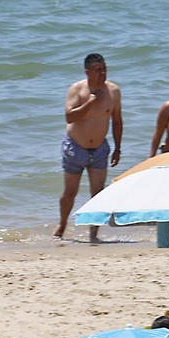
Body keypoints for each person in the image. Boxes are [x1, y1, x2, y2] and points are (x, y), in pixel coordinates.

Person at [56, 52, 122, 241]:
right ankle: (62, 225)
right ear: (87, 72)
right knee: (70, 193)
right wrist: (91, 103)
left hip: (100, 148)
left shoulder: (113, 91)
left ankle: (94, 234)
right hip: (75, 146)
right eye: (97, 70)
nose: (102, 73)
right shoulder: (77, 90)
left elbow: (117, 121)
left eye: (104, 69)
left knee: (98, 193)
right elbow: (69, 116)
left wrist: (118, 148)